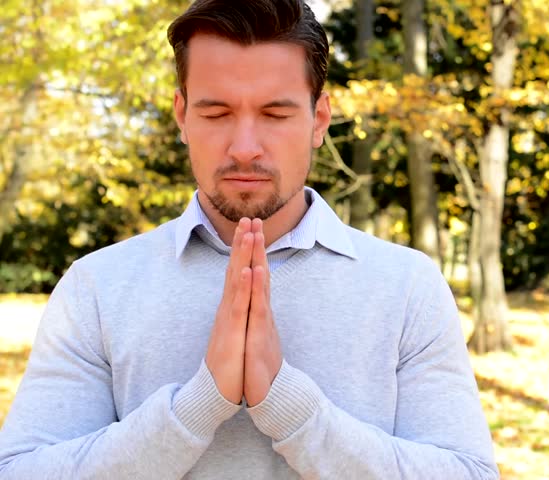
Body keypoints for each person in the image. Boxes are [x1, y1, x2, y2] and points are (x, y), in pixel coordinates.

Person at [0, 1, 498, 478]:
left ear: (319, 119)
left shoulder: (407, 287)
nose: (243, 148)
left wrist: (290, 407)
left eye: (275, 114)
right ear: (182, 115)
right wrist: (197, 407)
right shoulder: (97, 287)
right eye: (216, 114)